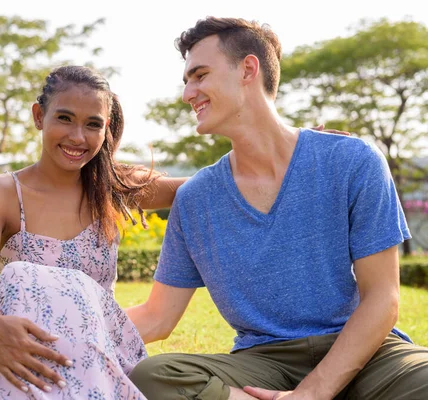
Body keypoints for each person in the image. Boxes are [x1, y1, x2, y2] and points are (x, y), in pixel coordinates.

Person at [126, 17, 428, 400]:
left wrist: (314, 392)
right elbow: (157, 317)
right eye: (186, 80)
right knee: (155, 376)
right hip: (263, 363)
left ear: (248, 69)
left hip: (367, 354)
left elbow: (383, 299)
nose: (188, 93)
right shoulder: (196, 199)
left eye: (199, 75)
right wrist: (68, 327)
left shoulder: (354, 161)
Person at [0, 65, 185, 399]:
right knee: (20, 276)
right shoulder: (0, 193)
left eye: (93, 124)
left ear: (106, 129)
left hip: (98, 356)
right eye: (64, 118)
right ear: (39, 116)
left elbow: (203, 190)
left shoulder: (112, 187)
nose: (78, 137)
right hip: (28, 358)